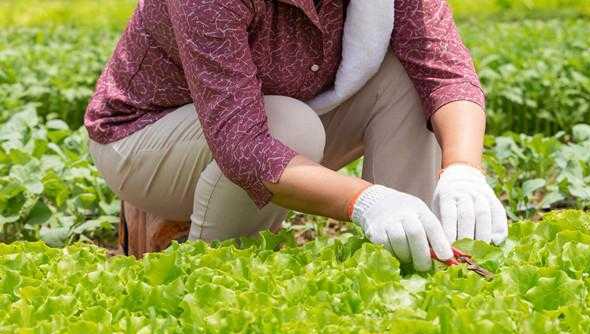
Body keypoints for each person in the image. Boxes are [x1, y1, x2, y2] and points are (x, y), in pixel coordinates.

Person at [85, 0, 508, 271]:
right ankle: (220, 274)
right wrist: (365, 201)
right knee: (287, 125)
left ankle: (417, 256)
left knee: (406, 79)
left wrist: (464, 170)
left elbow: (444, 71)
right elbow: (244, 146)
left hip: (283, 117)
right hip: (142, 141)